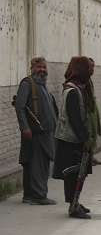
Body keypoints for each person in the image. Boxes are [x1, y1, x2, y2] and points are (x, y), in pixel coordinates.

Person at [52, 56, 93, 219]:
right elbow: (74, 118)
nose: (90, 70)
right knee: (72, 175)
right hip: (70, 140)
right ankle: (73, 206)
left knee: (79, 174)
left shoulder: (81, 88)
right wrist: (85, 138)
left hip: (77, 138)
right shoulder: (72, 91)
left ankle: (76, 201)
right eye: (87, 67)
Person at [14, 56, 59, 205]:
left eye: (44, 67)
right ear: (32, 68)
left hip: (43, 132)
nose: (42, 70)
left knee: (33, 164)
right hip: (35, 132)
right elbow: (20, 107)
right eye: (39, 67)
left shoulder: (42, 85)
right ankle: (39, 196)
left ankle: (29, 195)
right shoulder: (27, 84)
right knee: (38, 165)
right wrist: (25, 127)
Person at [83, 57, 101, 166]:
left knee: (94, 133)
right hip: (88, 113)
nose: (91, 69)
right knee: (90, 134)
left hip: (92, 111)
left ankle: (91, 156)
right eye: (89, 66)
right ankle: (88, 158)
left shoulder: (89, 80)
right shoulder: (83, 80)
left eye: (93, 66)